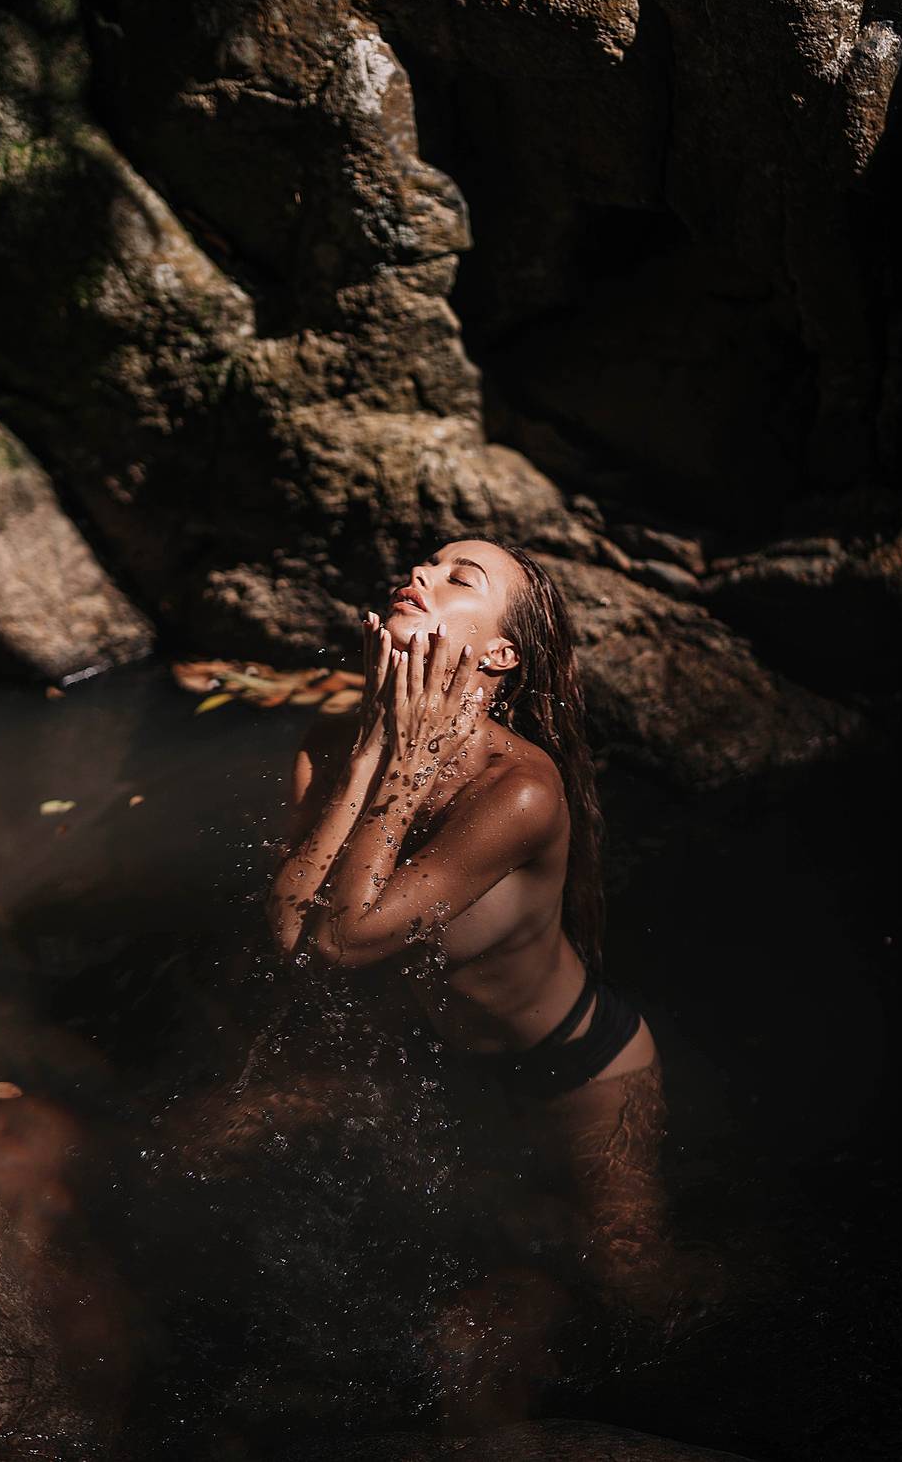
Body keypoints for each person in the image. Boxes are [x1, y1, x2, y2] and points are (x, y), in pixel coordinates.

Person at [266, 537, 672, 1323]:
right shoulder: (333, 739)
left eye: (461, 578)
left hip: (579, 1067)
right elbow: (290, 942)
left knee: (631, 1286)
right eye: (425, 563)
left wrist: (402, 758)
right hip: (445, 1061)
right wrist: (374, 748)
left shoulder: (517, 791)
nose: (420, 574)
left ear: (500, 655)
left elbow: (340, 940)